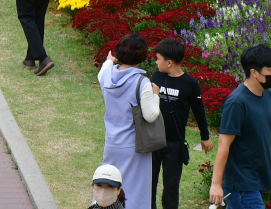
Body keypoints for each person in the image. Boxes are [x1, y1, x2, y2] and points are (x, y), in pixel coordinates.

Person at [99, 33, 163, 209]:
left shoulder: (106, 76)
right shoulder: (141, 81)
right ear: (141, 56)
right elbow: (151, 115)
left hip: (111, 143)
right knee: (134, 193)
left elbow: (102, 71)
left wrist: (109, 61)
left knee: (109, 187)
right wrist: (156, 96)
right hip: (135, 146)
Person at [150, 39, 212, 209]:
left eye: (158, 58)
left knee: (171, 186)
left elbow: (199, 112)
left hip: (175, 143)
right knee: (149, 184)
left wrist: (205, 137)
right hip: (153, 140)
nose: (156, 61)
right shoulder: (156, 77)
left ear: (169, 63)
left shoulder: (190, 84)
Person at [208, 44, 271, 209]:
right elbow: (223, 144)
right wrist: (216, 184)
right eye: (269, 69)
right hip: (242, 184)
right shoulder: (237, 102)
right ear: (254, 72)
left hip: (258, 178)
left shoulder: (267, 94)